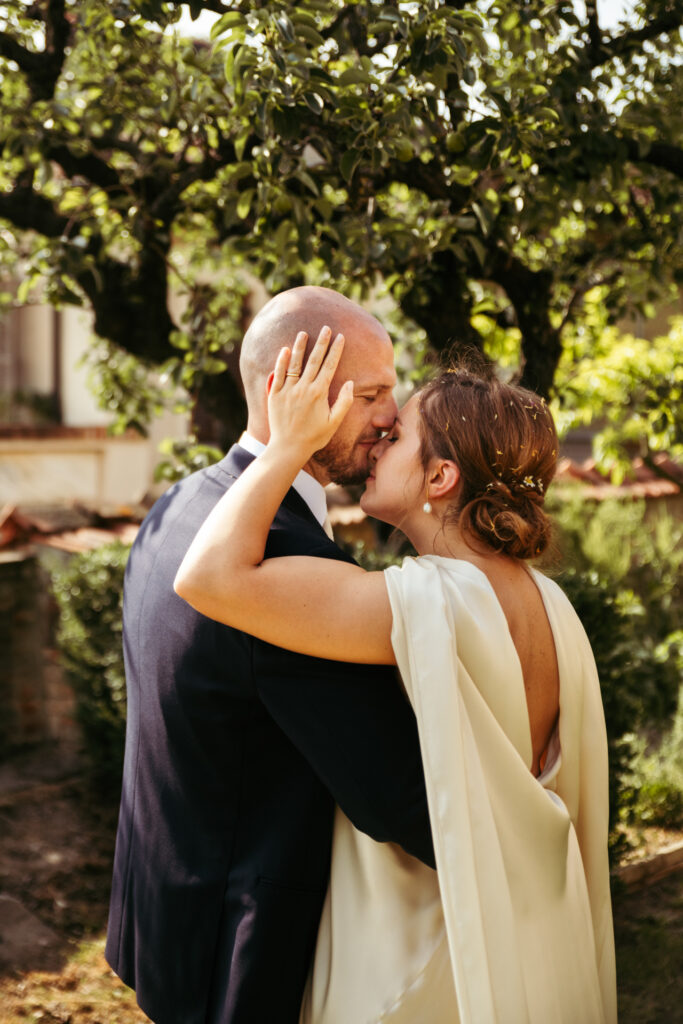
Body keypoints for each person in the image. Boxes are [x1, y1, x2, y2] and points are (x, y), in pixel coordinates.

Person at [175, 327, 618, 1024]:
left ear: (439, 478)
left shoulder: (430, 601)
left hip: (428, 952)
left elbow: (207, 579)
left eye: (398, 436)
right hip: (529, 920)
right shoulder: (548, 603)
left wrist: (287, 444)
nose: (377, 439)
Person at [105, 287, 435, 1024]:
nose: (392, 415)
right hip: (237, 945)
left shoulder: (182, 501)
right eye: (373, 393)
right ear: (294, 385)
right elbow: (392, 793)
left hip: (162, 911)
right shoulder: (277, 560)